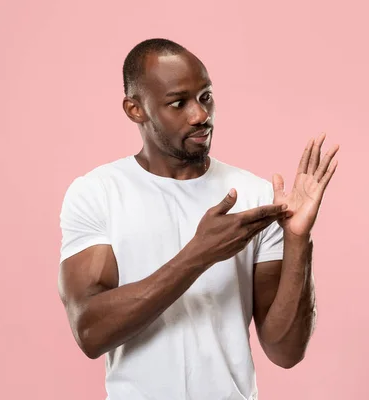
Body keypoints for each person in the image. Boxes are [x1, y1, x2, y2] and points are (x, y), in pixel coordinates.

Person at [58, 38, 339, 400]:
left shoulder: (254, 197)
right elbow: (90, 332)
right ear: (135, 109)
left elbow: (285, 352)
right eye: (179, 103)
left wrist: (299, 240)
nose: (200, 115)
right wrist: (199, 254)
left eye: (205, 97)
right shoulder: (97, 193)